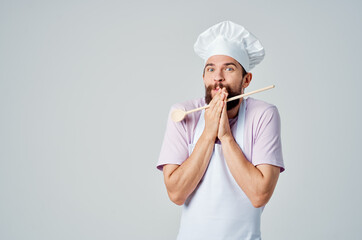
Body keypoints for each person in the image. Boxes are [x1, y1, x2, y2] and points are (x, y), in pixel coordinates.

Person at [157, 21, 285, 240]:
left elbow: (259, 194)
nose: (218, 77)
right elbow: (176, 193)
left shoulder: (264, 115)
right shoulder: (183, 113)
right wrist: (208, 133)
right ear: (204, 77)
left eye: (229, 68)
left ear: (247, 80)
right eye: (211, 69)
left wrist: (225, 136)